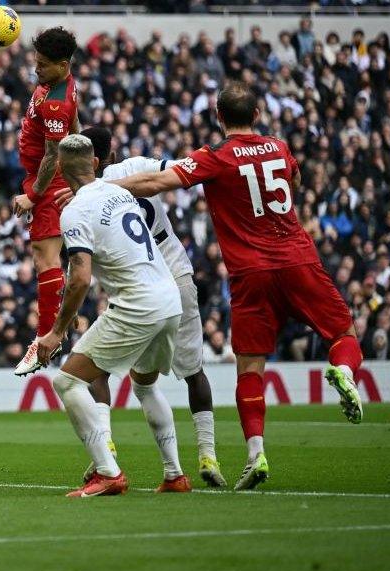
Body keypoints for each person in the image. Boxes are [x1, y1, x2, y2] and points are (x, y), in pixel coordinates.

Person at [110, 81, 364, 491]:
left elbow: (157, 184)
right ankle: (344, 370)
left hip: (250, 272)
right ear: (258, 116)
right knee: (343, 334)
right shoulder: (281, 148)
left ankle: (255, 453)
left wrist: (103, 188)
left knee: (249, 366)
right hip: (299, 259)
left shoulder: (215, 157)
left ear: (218, 116)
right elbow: (294, 185)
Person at [63, 126, 226, 487]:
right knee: (187, 372)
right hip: (171, 278)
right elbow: (173, 172)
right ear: (109, 153)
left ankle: (105, 452)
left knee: (92, 371)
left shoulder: (85, 195)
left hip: (138, 285)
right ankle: (202, 456)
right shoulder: (135, 166)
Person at [35, 134, 188, 497]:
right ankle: (174, 475)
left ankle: (108, 472)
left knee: (66, 382)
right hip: (168, 298)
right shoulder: (120, 192)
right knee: (145, 385)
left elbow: (82, 276)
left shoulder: (74, 210)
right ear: (95, 164)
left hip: (138, 304)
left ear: (59, 169)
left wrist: (56, 331)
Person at [10, 27, 81, 376]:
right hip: (43, 177)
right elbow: (76, 130)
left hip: (48, 183)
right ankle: (62, 313)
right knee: (46, 256)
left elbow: (54, 154)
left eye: (42, 64)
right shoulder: (57, 85)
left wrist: (33, 196)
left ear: (63, 64)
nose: (36, 69)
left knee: (44, 257)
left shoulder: (56, 101)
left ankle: (46, 338)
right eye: (35, 61)